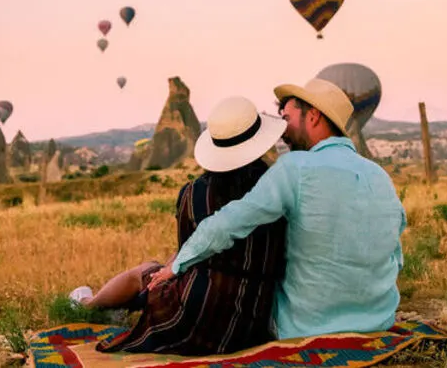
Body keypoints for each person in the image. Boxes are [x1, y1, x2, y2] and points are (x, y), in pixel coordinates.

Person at [148, 78, 407, 340]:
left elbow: (231, 221)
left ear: (314, 116)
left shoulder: (295, 167)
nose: (283, 129)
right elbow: (396, 255)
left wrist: (178, 263)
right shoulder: (380, 176)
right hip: (378, 321)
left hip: (307, 326)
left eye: (287, 117)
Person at [67, 96, 289, 356]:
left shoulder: (194, 194)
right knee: (159, 272)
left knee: (148, 271)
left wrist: (163, 271)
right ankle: (118, 303)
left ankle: (87, 304)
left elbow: (187, 252)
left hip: (193, 317)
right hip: (253, 320)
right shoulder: (278, 191)